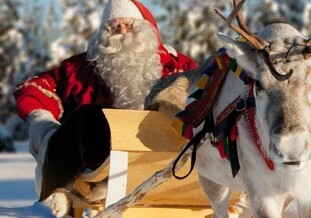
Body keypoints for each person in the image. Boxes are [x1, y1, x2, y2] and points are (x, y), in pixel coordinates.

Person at [14, 0, 196, 216]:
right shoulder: (79, 69)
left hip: (164, 161)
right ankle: (60, 188)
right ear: (103, 32)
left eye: (130, 26)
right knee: (87, 118)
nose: (122, 32)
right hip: (99, 162)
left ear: (146, 31)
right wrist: (42, 123)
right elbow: (33, 88)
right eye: (114, 26)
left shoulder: (177, 66)